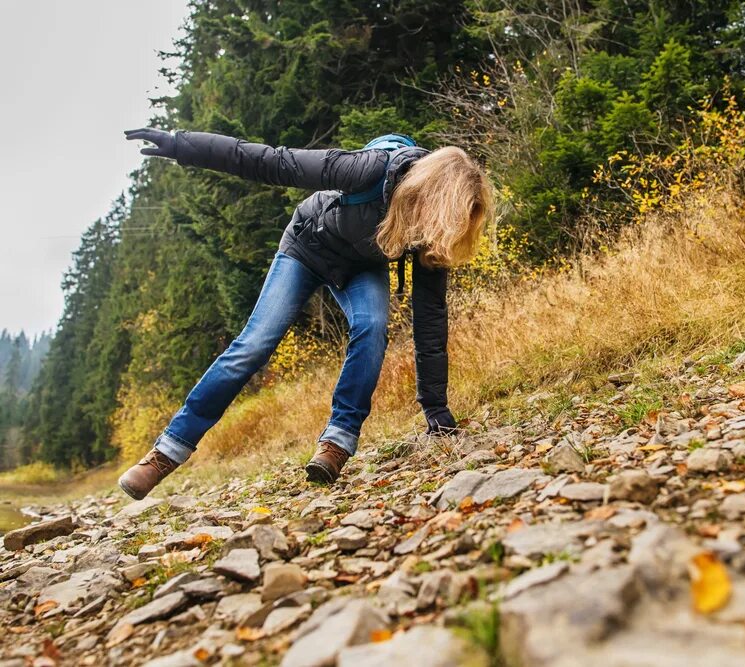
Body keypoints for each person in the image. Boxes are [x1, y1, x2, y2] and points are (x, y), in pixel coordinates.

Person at [117, 127, 494, 500]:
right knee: (255, 344)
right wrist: (183, 145)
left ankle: (337, 443)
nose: (435, 233)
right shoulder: (366, 169)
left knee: (372, 326)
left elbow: (430, 322)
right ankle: (166, 452)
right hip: (306, 246)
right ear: (426, 196)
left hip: (360, 266)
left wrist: (437, 411)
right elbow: (272, 161)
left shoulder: (433, 228)